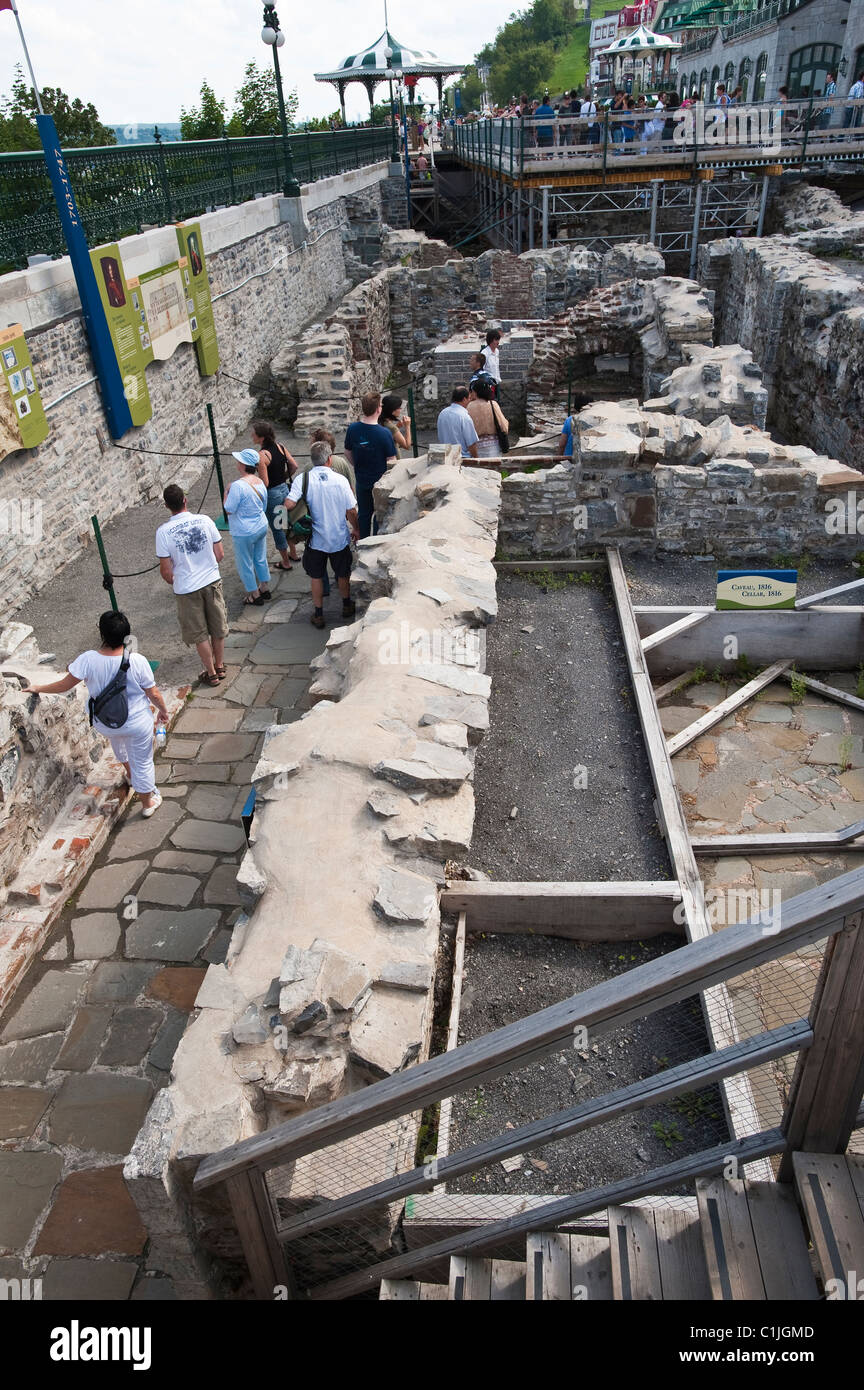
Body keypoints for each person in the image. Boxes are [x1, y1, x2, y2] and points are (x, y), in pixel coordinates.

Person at [24, 611, 168, 818]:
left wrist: (37, 687)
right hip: (136, 722)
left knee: (119, 744)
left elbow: (64, 685)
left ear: (101, 633)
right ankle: (147, 803)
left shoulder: (88, 659)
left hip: (106, 722)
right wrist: (163, 711)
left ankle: (130, 774)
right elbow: (152, 693)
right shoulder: (137, 660)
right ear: (127, 635)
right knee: (143, 761)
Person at [156, 484, 229, 688]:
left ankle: (211, 673)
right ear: (185, 500)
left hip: (187, 587)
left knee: (199, 633)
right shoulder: (205, 520)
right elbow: (220, 554)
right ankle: (220, 665)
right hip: (211, 580)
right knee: (217, 625)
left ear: (167, 506)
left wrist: (176, 580)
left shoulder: (163, 532)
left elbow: (166, 570)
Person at [285, 439, 359, 630]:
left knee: (316, 577)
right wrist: (356, 529)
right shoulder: (340, 480)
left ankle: (318, 614)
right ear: (329, 459)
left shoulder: (303, 479)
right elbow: (351, 510)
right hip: (338, 537)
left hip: (315, 540)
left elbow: (289, 504)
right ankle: (346, 605)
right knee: (342, 574)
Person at [344, 392, 397, 539]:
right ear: (378, 409)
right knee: (379, 514)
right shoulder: (384, 433)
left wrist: (357, 464)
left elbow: (347, 451)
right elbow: (391, 460)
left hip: (361, 477)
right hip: (379, 480)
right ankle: (375, 541)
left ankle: (364, 542)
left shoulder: (353, 429)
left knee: (364, 513)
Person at [251, 419, 299, 571]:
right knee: (285, 523)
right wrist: (283, 477)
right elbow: (294, 465)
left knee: (278, 527)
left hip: (272, 495)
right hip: (284, 490)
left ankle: (285, 562)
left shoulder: (262, 456)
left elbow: (264, 483)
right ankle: (293, 553)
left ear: (262, 437)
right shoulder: (281, 447)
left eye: (254, 434)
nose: (251, 435)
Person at [225, 449, 271, 606]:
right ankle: (264, 587)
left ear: (243, 465)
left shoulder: (237, 486)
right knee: (260, 557)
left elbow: (229, 508)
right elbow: (263, 505)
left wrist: (226, 491)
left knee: (245, 562)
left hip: (244, 530)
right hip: (260, 525)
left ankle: (254, 594)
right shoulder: (260, 482)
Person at [466, 377, 509, 458]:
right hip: (494, 446)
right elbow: (504, 426)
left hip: (476, 446)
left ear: (475, 392)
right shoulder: (493, 404)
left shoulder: (469, 406)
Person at [436, 386, 479, 459]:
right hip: (462, 458)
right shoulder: (464, 417)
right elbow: (471, 443)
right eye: (469, 398)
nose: (470, 401)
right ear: (464, 399)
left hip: (446, 457)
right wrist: (476, 458)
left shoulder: (442, 413)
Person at [556, 393, 595, 458]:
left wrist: (558, 459)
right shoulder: (594, 421)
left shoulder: (569, 420)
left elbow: (562, 444)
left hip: (568, 458)